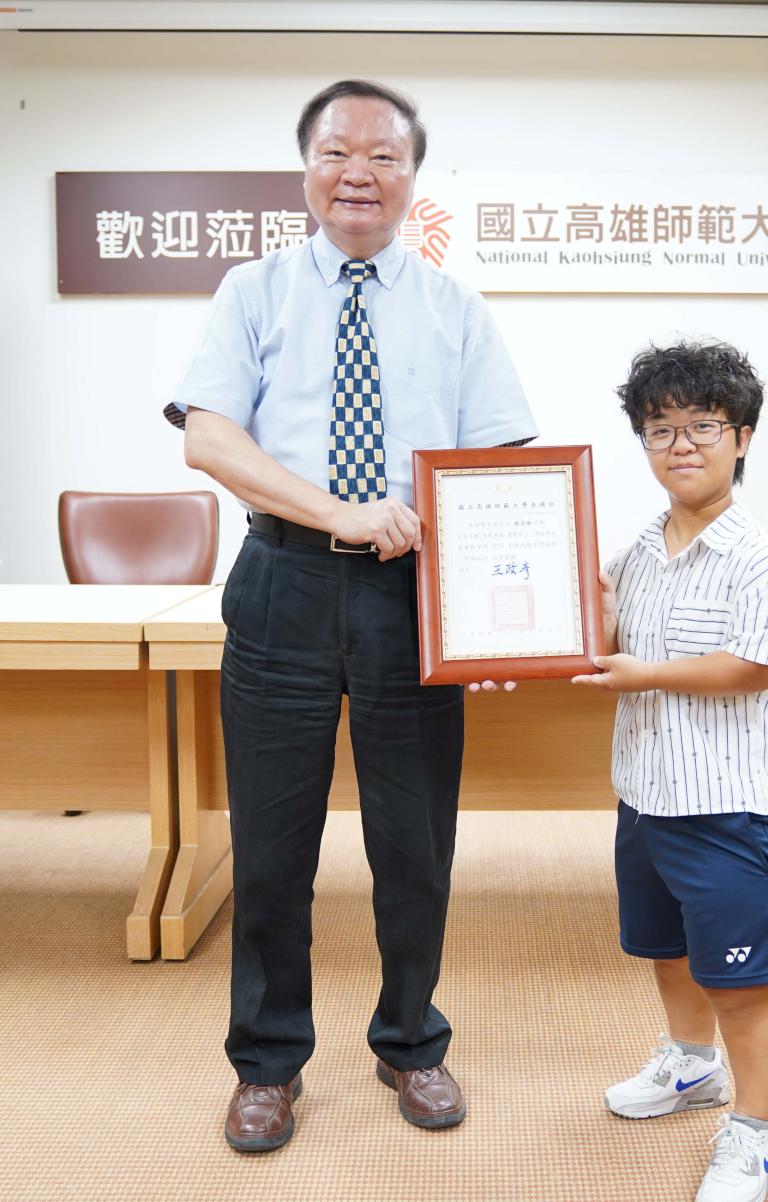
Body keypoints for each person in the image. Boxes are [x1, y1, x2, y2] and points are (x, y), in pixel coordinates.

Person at [164, 78, 537, 1152]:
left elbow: (501, 469)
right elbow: (209, 438)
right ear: (306, 171)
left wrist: (499, 614)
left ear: (414, 178)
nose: (359, 173)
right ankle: (267, 1061)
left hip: (411, 595)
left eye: (384, 156)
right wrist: (339, 511)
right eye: (338, 153)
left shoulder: (455, 308)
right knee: (271, 847)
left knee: (415, 845)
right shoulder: (254, 290)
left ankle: (411, 1040)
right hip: (282, 582)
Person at [572, 340, 768, 1202]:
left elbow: (753, 666)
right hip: (647, 797)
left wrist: (643, 672)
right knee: (669, 953)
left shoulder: (760, 558)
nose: (681, 444)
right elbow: (602, 641)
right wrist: (576, 616)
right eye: (660, 428)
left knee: (748, 986)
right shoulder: (639, 549)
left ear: (741, 437)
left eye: (703, 425)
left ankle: (752, 1134)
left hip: (731, 810)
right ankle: (692, 1065)